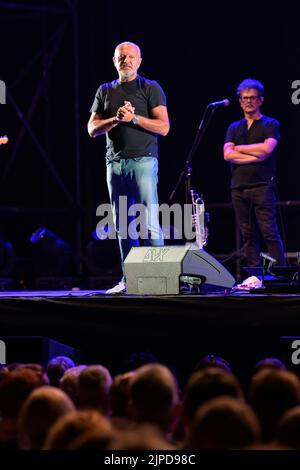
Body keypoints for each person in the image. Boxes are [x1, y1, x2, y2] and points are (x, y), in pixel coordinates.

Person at [88, 41, 170, 294]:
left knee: (149, 222)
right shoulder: (104, 90)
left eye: (131, 57)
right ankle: (129, 279)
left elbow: (164, 127)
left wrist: (133, 118)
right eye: (121, 57)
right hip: (114, 164)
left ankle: (158, 281)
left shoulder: (150, 88)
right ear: (114, 61)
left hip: (143, 161)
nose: (126, 60)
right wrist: (115, 119)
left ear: (140, 61)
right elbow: (92, 129)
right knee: (123, 225)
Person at [224, 78, 286, 268]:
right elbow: (227, 154)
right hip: (239, 187)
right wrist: (255, 156)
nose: (248, 101)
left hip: (262, 185)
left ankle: (280, 273)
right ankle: (254, 274)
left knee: (269, 232)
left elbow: (267, 150)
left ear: (261, 100)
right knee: (247, 234)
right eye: (244, 98)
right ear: (240, 101)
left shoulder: (270, 124)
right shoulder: (234, 127)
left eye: (252, 98)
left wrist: (240, 149)